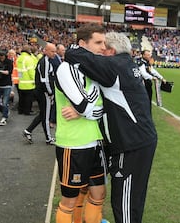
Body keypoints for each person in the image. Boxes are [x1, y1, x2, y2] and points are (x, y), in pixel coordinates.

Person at [65, 32, 158, 223]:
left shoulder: (114, 65)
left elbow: (72, 54)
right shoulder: (126, 64)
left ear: (111, 51)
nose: (99, 50)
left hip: (130, 143)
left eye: (102, 46)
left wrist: (79, 46)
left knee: (124, 200)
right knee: (133, 196)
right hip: (138, 139)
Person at [54, 23, 106, 223]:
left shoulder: (93, 70)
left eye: (104, 42)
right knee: (69, 200)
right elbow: (86, 106)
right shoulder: (66, 69)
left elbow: (99, 109)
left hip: (95, 141)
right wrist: (85, 109)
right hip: (73, 144)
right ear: (82, 44)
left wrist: (84, 111)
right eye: (98, 42)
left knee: (98, 194)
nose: (103, 47)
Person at [23, 43, 57, 145]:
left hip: (42, 92)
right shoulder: (45, 62)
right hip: (43, 93)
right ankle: (48, 138)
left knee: (43, 114)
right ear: (45, 51)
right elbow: (45, 80)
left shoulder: (46, 61)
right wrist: (50, 93)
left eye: (55, 51)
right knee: (46, 116)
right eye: (52, 51)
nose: (54, 53)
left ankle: (28, 131)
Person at [17, 45, 36, 115]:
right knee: (28, 99)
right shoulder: (28, 59)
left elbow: (19, 71)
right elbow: (31, 71)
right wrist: (35, 79)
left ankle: (20, 110)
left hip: (21, 81)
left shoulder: (19, 58)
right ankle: (27, 111)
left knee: (21, 98)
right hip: (28, 82)